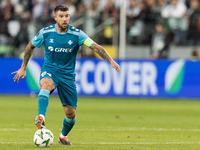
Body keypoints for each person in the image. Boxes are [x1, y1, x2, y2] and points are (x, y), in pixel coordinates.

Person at [11, 5, 120, 146]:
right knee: (46, 84)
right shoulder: (46, 32)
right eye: (61, 16)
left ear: (69, 17)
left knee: (71, 114)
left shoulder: (77, 34)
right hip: (50, 70)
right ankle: (41, 117)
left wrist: (111, 61)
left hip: (67, 76)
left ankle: (63, 136)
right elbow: (30, 46)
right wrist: (23, 67)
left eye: (66, 16)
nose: (64, 19)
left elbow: (96, 47)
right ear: (55, 17)